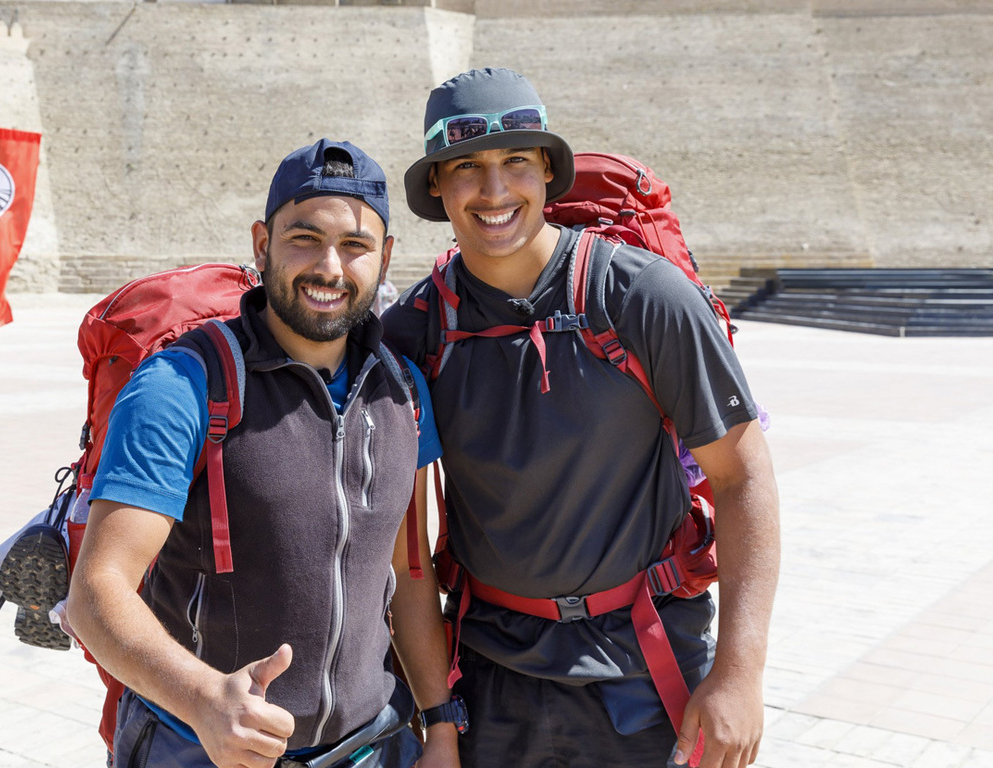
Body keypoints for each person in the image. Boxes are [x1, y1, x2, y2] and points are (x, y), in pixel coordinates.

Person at [381, 68, 781, 768]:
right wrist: (436, 717)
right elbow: (406, 554)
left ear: (547, 173)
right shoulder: (414, 331)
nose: (495, 190)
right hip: (488, 675)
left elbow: (743, 478)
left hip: (645, 668)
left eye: (515, 163)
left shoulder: (642, 299)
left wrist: (741, 676)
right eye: (467, 168)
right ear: (437, 186)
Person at [67, 139, 461, 768]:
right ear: (261, 243)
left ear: (385, 258)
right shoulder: (183, 385)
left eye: (355, 246)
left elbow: (409, 573)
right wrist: (204, 700)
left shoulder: (403, 391)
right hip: (198, 746)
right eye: (303, 238)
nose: (329, 267)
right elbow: (96, 591)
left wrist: (439, 724)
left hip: (372, 747)